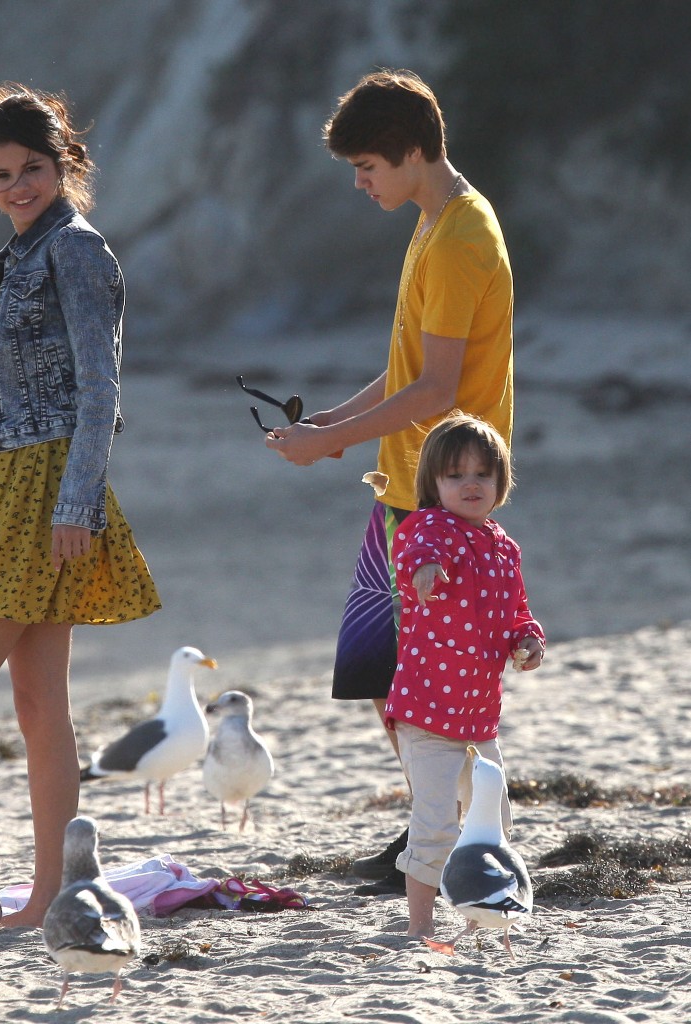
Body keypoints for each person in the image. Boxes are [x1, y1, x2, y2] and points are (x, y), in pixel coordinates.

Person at [0, 83, 161, 927]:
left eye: (34, 168)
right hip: (9, 471)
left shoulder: (78, 252)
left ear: (65, 164)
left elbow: (99, 390)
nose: (18, 185)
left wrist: (74, 505)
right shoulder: (20, 252)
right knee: (39, 702)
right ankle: (51, 893)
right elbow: (27, 391)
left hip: (43, 490)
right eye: (1, 173)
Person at [266, 68, 514, 883]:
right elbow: (406, 370)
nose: (360, 183)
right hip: (402, 486)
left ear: (411, 153)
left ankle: (455, 842)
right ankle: (428, 830)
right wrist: (330, 431)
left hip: (444, 496)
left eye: (367, 167)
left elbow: (437, 392)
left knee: (434, 685)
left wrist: (334, 441)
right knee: (387, 678)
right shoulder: (430, 220)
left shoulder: (461, 238)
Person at [383, 412, 544, 937]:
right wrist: (426, 569)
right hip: (427, 714)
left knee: (491, 823)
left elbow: (518, 610)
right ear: (433, 483)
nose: (471, 484)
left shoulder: (504, 547)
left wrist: (527, 640)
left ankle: (479, 918)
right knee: (434, 825)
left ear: (502, 482)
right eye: (455, 475)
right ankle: (420, 926)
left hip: (479, 718)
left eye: (483, 474)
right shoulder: (430, 527)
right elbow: (413, 553)